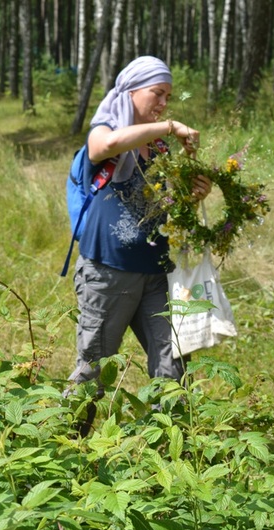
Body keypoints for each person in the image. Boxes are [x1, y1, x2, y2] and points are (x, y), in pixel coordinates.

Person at [67, 56, 212, 394]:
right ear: (131, 90)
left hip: (156, 273)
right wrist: (170, 126)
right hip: (107, 274)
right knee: (92, 372)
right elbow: (105, 145)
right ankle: (70, 441)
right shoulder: (104, 131)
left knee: (172, 368)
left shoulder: (159, 148)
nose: (163, 104)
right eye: (157, 93)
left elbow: (165, 208)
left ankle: (172, 444)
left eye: (168, 98)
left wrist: (193, 196)